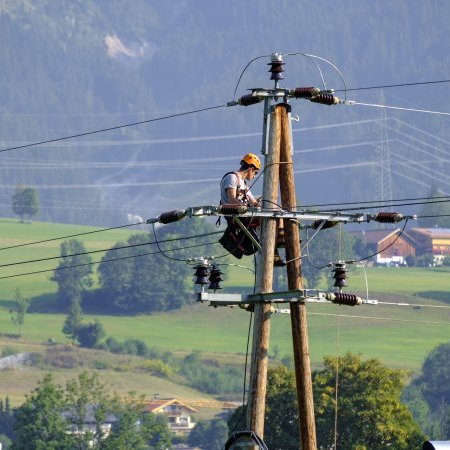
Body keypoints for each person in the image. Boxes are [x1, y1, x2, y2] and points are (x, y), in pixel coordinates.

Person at [218, 153, 285, 265]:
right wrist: (245, 207)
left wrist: (266, 206)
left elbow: (253, 202)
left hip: (245, 214)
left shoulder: (244, 185)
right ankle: (274, 251)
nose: (254, 176)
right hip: (235, 214)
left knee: (276, 211)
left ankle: (281, 238)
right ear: (250, 169)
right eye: (255, 173)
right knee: (265, 224)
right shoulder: (232, 178)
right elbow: (232, 199)